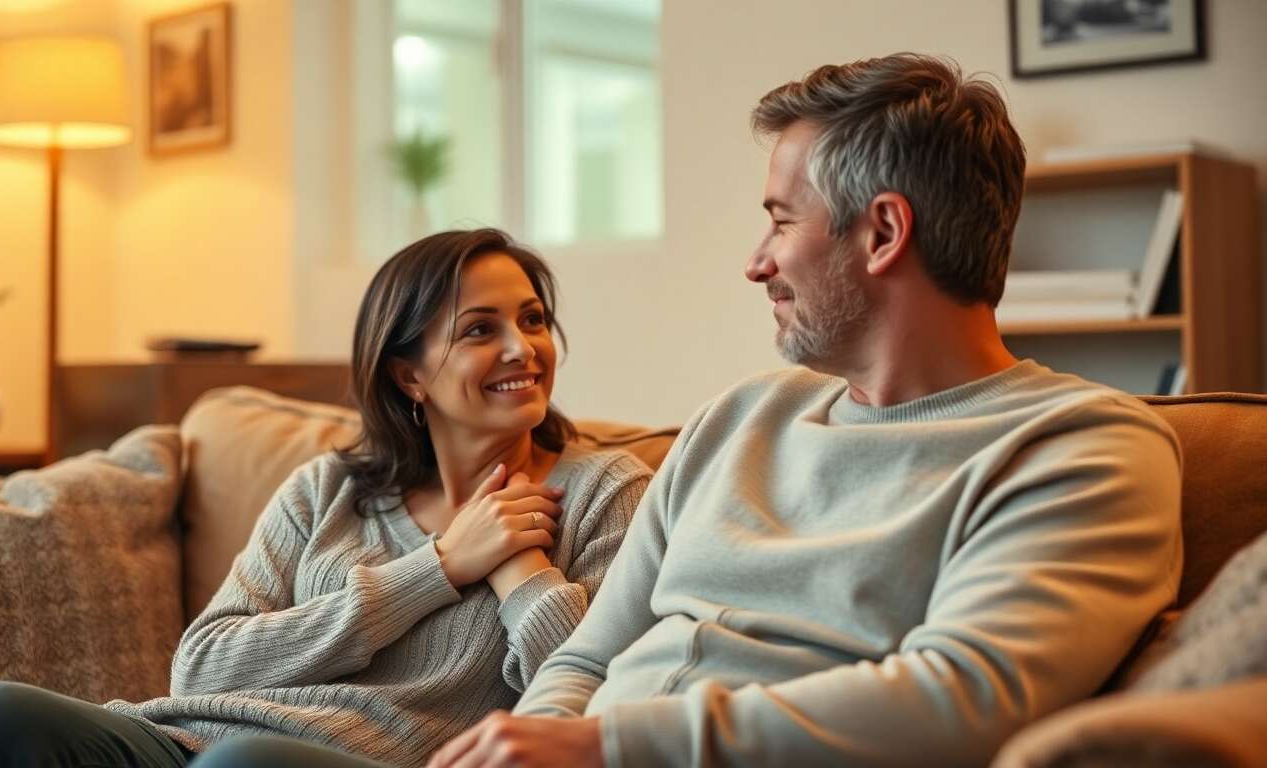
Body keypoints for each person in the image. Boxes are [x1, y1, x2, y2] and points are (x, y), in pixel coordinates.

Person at [430, 53, 1184, 767]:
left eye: (782, 221)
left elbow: (965, 696)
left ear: (883, 233)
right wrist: (536, 741)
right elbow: (588, 657)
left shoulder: (1084, 448)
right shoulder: (740, 417)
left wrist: (607, 749)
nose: (756, 262)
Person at [0, 228, 651, 768]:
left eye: (531, 320)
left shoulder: (603, 493)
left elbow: (603, 692)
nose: (524, 349)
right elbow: (202, 667)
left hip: (323, 763)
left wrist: (520, 570)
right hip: (186, 739)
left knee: (246, 765)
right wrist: (437, 567)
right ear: (409, 377)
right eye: (480, 331)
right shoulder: (328, 490)